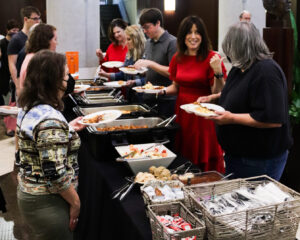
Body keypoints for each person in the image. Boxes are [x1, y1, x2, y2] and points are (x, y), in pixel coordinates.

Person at [200, 22, 292, 180]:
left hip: (259, 158)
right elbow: (236, 95)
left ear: (242, 47)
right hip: (238, 155)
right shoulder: (241, 67)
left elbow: (272, 119)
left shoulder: (266, 71)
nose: (229, 54)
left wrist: (231, 118)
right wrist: (213, 98)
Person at [17, 50, 85, 240]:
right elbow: (55, 172)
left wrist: (67, 129)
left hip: (32, 195)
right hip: (48, 201)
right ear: (53, 81)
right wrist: (76, 202)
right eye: (65, 75)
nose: (69, 79)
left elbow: (37, 141)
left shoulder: (29, 105)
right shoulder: (50, 121)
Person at [162, 16, 226, 172]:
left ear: (202, 36)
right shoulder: (178, 58)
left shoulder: (212, 58)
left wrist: (218, 72)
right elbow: (176, 87)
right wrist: (159, 92)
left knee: (203, 157)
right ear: (183, 36)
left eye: (197, 32)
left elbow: (218, 93)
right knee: (184, 156)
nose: (193, 36)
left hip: (203, 116)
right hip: (182, 113)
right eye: (189, 32)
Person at [134, 8, 177, 117]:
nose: (145, 31)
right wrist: (141, 70)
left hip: (166, 100)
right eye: (143, 28)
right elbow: (150, 69)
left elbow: (174, 73)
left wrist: (150, 64)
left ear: (158, 23)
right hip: (149, 97)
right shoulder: (148, 42)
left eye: (147, 27)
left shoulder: (172, 43)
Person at [99, 25, 146, 102]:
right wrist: (105, 74)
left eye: (129, 39)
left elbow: (151, 79)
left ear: (136, 39)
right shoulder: (129, 54)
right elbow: (122, 75)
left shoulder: (146, 54)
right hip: (130, 95)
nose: (126, 43)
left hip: (142, 97)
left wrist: (135, 82)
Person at [7, 6, 41, 98]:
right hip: (23, 83)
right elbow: (12, 64)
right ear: (26, 19)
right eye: (35, 19)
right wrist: (18, 86)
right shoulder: (16, 39)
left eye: (39, 18)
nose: (38, 21)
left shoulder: (37, 37)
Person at [19, 23, 57, 92]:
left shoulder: (31, 56)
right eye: (55, 39)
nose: (57, 43)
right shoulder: (38, 61)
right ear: (46, 41)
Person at [0, 19, 19, 137]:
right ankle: (8, 128)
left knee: (13, 101)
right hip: (3, 75)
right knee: (7, 101)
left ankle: (12, 125)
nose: (15, 32)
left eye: (17, 30)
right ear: (7, 30)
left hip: (15, 74)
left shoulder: (17, 42)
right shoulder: (2, 43)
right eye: (13, 30)